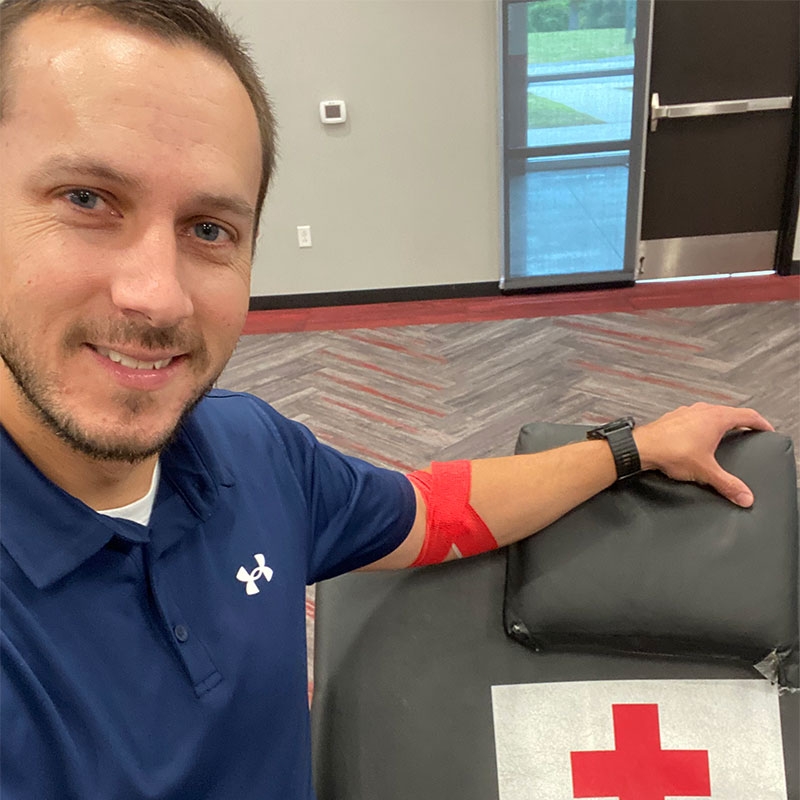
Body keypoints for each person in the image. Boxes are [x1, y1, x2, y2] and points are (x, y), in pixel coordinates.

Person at [0, 1, 774, 797]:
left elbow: (433, 512)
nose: (156, 297)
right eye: (86, 199)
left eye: (207, 229)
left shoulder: (250, 449)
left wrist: (632, 449)